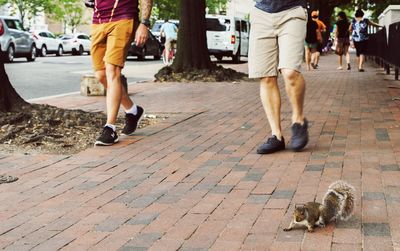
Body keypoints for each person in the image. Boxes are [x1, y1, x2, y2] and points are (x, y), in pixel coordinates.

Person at [249, 0, 309, 154]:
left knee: (290, 72)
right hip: (261, 13)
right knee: (266, 76)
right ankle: (276, 135)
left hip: (292, 11)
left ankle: (298, 119)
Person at [90, 0, 153, 145]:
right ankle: (133, 110)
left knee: (113, 71)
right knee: (101, 75)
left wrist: (144, 23)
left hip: (123, 18)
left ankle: (110, 129)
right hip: (98, 22)